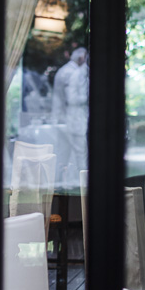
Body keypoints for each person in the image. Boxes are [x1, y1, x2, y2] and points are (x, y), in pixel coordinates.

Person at [52, 47, 89, 187]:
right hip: (71, 118)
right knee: (79, 153)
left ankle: (60, 183)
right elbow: (70, 98)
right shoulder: (74, 73)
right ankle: (82, 184)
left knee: (65, 152)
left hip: (66, 118)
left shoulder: (69, 71)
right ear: (81, 58)